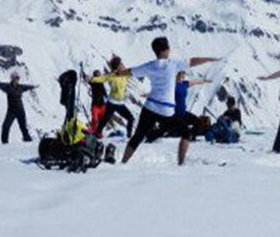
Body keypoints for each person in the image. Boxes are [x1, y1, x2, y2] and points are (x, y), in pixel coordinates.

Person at [115, 37, 220, 165]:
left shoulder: (150, 65)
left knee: (138, 135)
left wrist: (118, 73)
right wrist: (209, 59)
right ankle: (181, 164)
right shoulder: (173, 64)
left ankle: (123, 162)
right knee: (186, 133)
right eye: (168, 47)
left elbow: (131, 71)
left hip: (150, 107)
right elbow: (193, 61)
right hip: (166, 110)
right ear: (165, 50)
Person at [146, 71, 211, 142]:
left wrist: (204, 80)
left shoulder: (184, 84)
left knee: (197, 121)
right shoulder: (172, 85)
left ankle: (192, 138)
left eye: (182, 75)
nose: (181, 77)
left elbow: (194, 82)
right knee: (166, 128)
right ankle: (150, 137)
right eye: (179, 75)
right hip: (174, 113)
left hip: (183, 112)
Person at [0, 72, 37, 143]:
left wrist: (34, 86)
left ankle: (28, 141)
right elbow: (0, 84)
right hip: (11, 111)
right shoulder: (7, 87)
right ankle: (4, 143)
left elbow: (28, 87)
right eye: (16, 78)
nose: (18, 80)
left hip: (20, 110)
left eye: (18, 78)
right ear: (12, 79)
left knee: (23, 127)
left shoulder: (21, 87)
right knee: (5, 126)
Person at [92, 56, 134, 138]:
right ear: (118, 66)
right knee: (105, 120)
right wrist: (92, 79)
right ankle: (97, 133)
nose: (123, 65)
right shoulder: (114, 75)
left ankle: (129, 137)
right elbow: (103, 78)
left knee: (131, 118)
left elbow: (134, 72)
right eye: (121, 64)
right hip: (112, 103)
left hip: (119, 103)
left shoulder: (125, 74)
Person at [84, 69, 107, 133]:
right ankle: (94, 130)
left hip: (101, 104)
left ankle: (98, 131)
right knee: (95, 118)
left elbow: (105, 93)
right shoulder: (94, 82)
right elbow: (88, 80)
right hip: (97, 104)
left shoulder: (100, 83)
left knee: (100, 119)